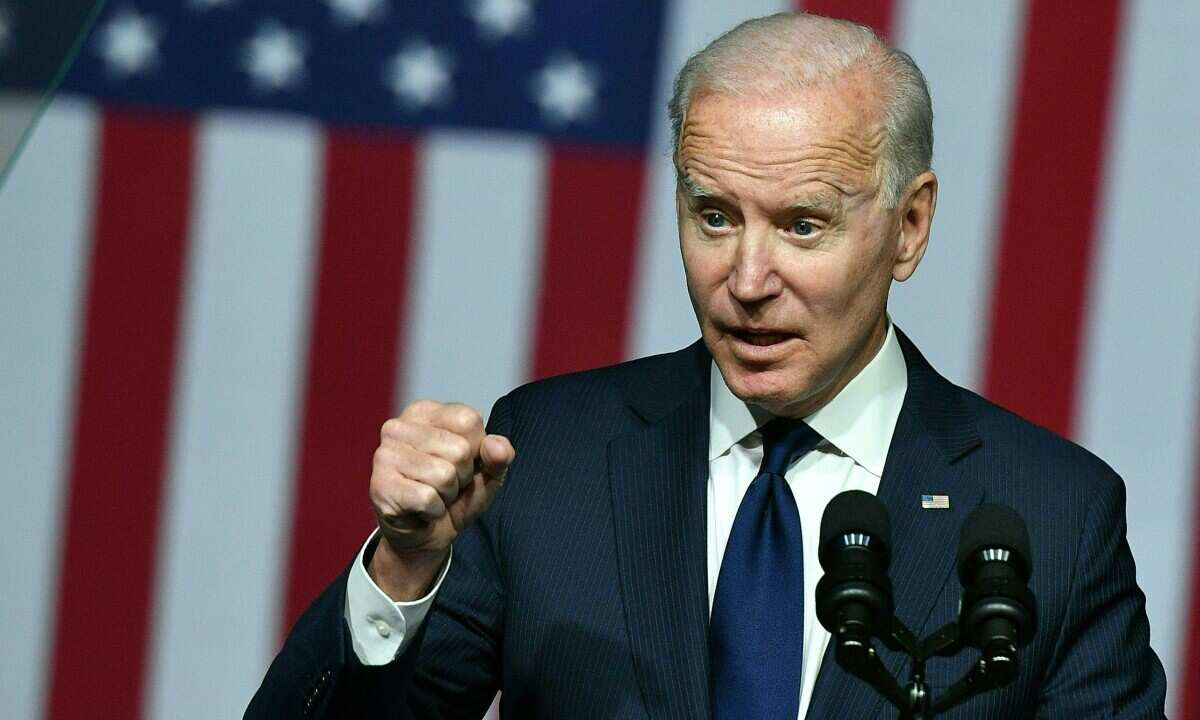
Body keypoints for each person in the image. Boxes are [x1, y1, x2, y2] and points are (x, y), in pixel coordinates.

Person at [248, 12, 1166, 719]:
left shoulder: (1054, 513)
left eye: (802, 225)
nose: (747, 280)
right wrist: (405, 567)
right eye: (715, 216)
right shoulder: (548, 456)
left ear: (909, 226)